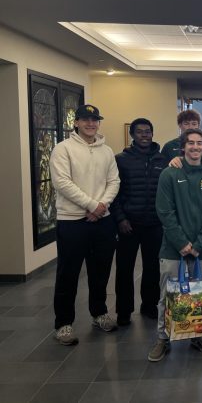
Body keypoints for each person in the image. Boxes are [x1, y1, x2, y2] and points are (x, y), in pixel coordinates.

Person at [147, 128, 202, 362]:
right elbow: (165, 211)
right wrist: (181, 243)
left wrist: (199, 244)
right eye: (191, 143)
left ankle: (198, 334)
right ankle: (163, 338)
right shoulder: (169, 174)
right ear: (183, 146)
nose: (195, 147)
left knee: (200, 295)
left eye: (200, 143)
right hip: (172, 249)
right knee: (167, 295)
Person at [49, 104, 121, 345]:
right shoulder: (63, 149)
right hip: (72, 221)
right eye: (86, 119)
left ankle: (99, 313)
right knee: (68, 273)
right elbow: (62, 183)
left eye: (95, 120)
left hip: (102, 221)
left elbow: (114, 181)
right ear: (76, 122)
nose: (91, 124)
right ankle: (63, 324)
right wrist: (92, 205)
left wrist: (101, 206)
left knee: (100, 271)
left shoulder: (107, 151)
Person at [112, 118, 168, 326]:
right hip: (129, 224)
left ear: (152, 134)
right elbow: (113, 193)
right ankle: (124, 311)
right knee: (124, 269)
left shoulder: (163, 160)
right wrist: (121, 219)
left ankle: (149, 305)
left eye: (148, 131)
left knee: (152, 267)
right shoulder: (121, 160)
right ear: (133, 135)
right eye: (140, 132)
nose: (144, 135)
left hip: (154, 223)